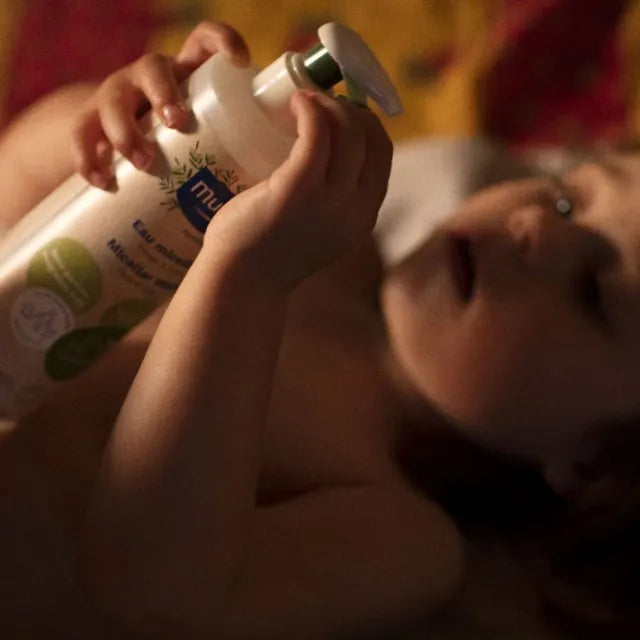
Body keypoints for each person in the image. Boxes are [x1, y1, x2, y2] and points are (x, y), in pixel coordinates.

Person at [0, 19, 638, 639]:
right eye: (566, 199)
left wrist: (246, 277)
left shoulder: (403, 539)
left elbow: (148, 592)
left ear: (594, 464)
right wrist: (123, 136)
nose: (538, 228)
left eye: (590, 293)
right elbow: (15, 195)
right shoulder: (329, 248)